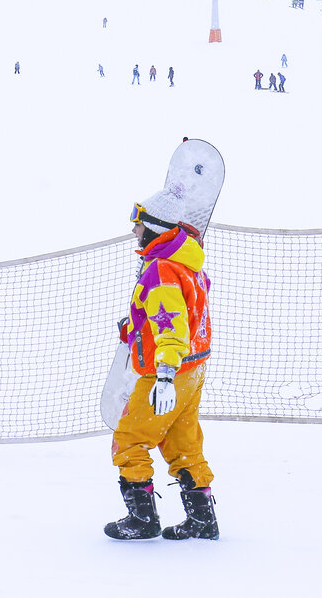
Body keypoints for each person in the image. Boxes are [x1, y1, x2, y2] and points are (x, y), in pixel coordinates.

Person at [105, 161, 221, 541]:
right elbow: (182, 316)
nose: (134, 229)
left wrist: (166, 375)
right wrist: (136, 327)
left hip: (167, 372)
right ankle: (203, 520)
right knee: (182, 443)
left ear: (153, 227)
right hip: (194, 368)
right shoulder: (186, 264)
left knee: (130, 439)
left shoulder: (161, 271)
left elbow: (171, 325)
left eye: (138, 223)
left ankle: (142, 520)